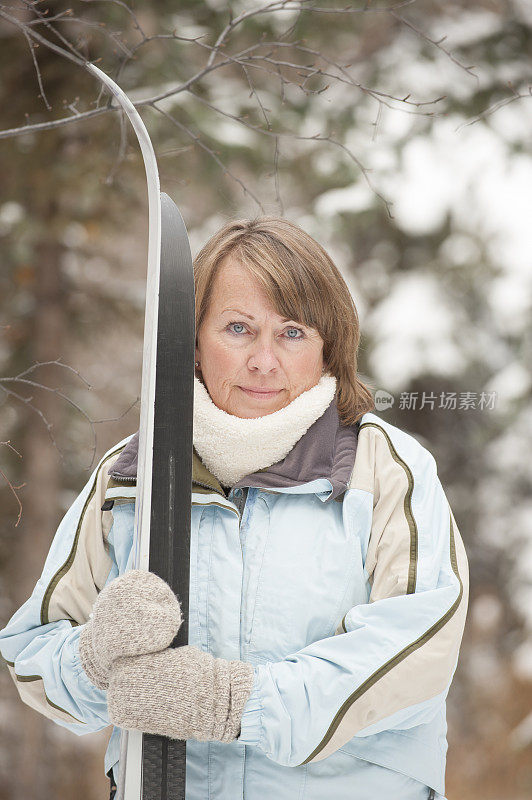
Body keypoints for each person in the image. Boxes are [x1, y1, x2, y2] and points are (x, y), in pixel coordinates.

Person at [0, 216, 469, 800]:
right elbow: (34, 652)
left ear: (329, 346)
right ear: (193, 343)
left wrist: (238, 704)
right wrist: (96, 662)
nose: (264, 360)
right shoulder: (133, 475)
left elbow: (417, 652)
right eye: (238, 328)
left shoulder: (385, 468)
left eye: (292, 332)